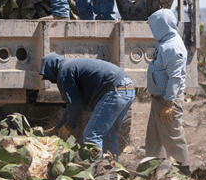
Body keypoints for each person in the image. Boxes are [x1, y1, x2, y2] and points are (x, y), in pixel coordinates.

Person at [40, 53, 134, 158]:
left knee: (91, 136)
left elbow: (75, 106)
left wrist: (68, 127)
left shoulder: (64, 72)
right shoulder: (70, 66)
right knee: (109, 135)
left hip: (114, 92)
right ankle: (112, 170)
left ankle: (96, 169)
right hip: (128, 90)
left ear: (51, 69)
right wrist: (58, 128)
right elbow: (70, 107)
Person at [144, 9, 192, 166]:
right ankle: (152, 171)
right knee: (154, 139)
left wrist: (168, 104)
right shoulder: (165, 43)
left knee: (173, 140)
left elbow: (176, 78)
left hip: (166, 101)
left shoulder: (172, 47)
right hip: (160, 100)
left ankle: (182, 174)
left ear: (161, 26)